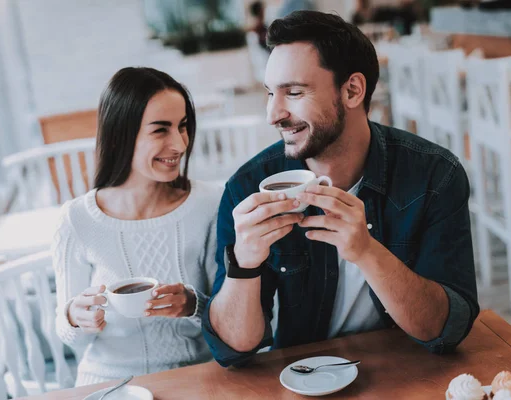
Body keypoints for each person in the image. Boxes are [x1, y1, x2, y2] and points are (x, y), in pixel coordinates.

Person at [202, 10, 478, 367]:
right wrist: (244, 264)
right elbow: (233, 350)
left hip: (409, 371)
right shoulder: (247, 187)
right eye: (271, 93)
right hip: (298, 379)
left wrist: (366, 251)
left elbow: (446, 329)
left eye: (294, 92)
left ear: (352, 90)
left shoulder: (434, 176)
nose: (273, 114)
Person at [53, 67, 222, 385]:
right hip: (106, 382)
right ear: (120, 136)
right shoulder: (76, 219)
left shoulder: (210, 204)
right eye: (161, 130)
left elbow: (232, 317)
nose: (179, 144)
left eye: (182, 126)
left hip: (194, 375)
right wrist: (75, 316)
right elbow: (67, 335)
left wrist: (193, 304)